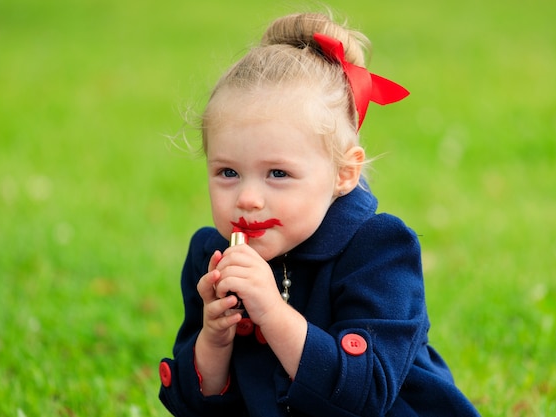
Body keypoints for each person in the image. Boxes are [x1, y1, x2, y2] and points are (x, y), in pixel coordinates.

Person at [158, 12, 480, 417]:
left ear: (344, 174)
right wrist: (213, 340)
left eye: (278, 173)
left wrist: (272, 313)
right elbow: (192, 408)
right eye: (228, 172)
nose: (248, 198)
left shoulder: (379, 251)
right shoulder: (212, 256)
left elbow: (366, 396)